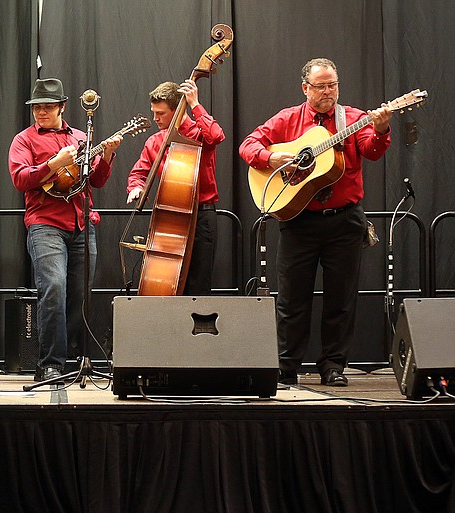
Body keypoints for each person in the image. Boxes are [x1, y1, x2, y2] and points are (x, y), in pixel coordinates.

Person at [239, 58, 392, 387]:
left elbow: (373, 150)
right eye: (321, 86)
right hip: (299, 221)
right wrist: (271, 157)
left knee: (341, 299)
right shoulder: (288, 119)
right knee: (292, 298)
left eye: (333, 84)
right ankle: (286, 366)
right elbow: (247, 145)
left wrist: (380, 129)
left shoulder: (352, 118)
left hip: (345, 221)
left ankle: (333, 365)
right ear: (305, 88)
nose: (329, 92)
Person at [8, 78, 122, 382]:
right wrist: (53, 164)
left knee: (80, 294)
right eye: (37, 107)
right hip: (45, 223)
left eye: (47, 106)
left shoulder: (82, 138)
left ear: (62, 107)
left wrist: (107, 156)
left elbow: (95, 180)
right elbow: (21, 179)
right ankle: (51, 363)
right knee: (54, 289)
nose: (41, 112)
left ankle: (72, 358)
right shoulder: (24, 140)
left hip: (83, 224)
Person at [126, 80, 226, 295]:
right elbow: (138, 173)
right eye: (154, 112)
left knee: (199, 283)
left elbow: (216, 135)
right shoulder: (154, 142)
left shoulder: (200, 134)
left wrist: (195, 104)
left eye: (160, 113)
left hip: (201, 217)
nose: (155, 118)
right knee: (165, 280)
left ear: (177, 110)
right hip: (168, 219)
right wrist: (136, 187)